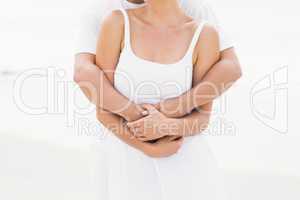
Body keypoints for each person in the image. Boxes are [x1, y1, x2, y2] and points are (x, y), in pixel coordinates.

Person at [74, 0, 241, 199]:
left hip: (186, 166)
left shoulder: (202, 26)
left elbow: (205, 113)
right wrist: (144, 135)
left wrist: (168, 119)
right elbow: (89, 84)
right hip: (125, 161)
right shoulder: (112, 19)